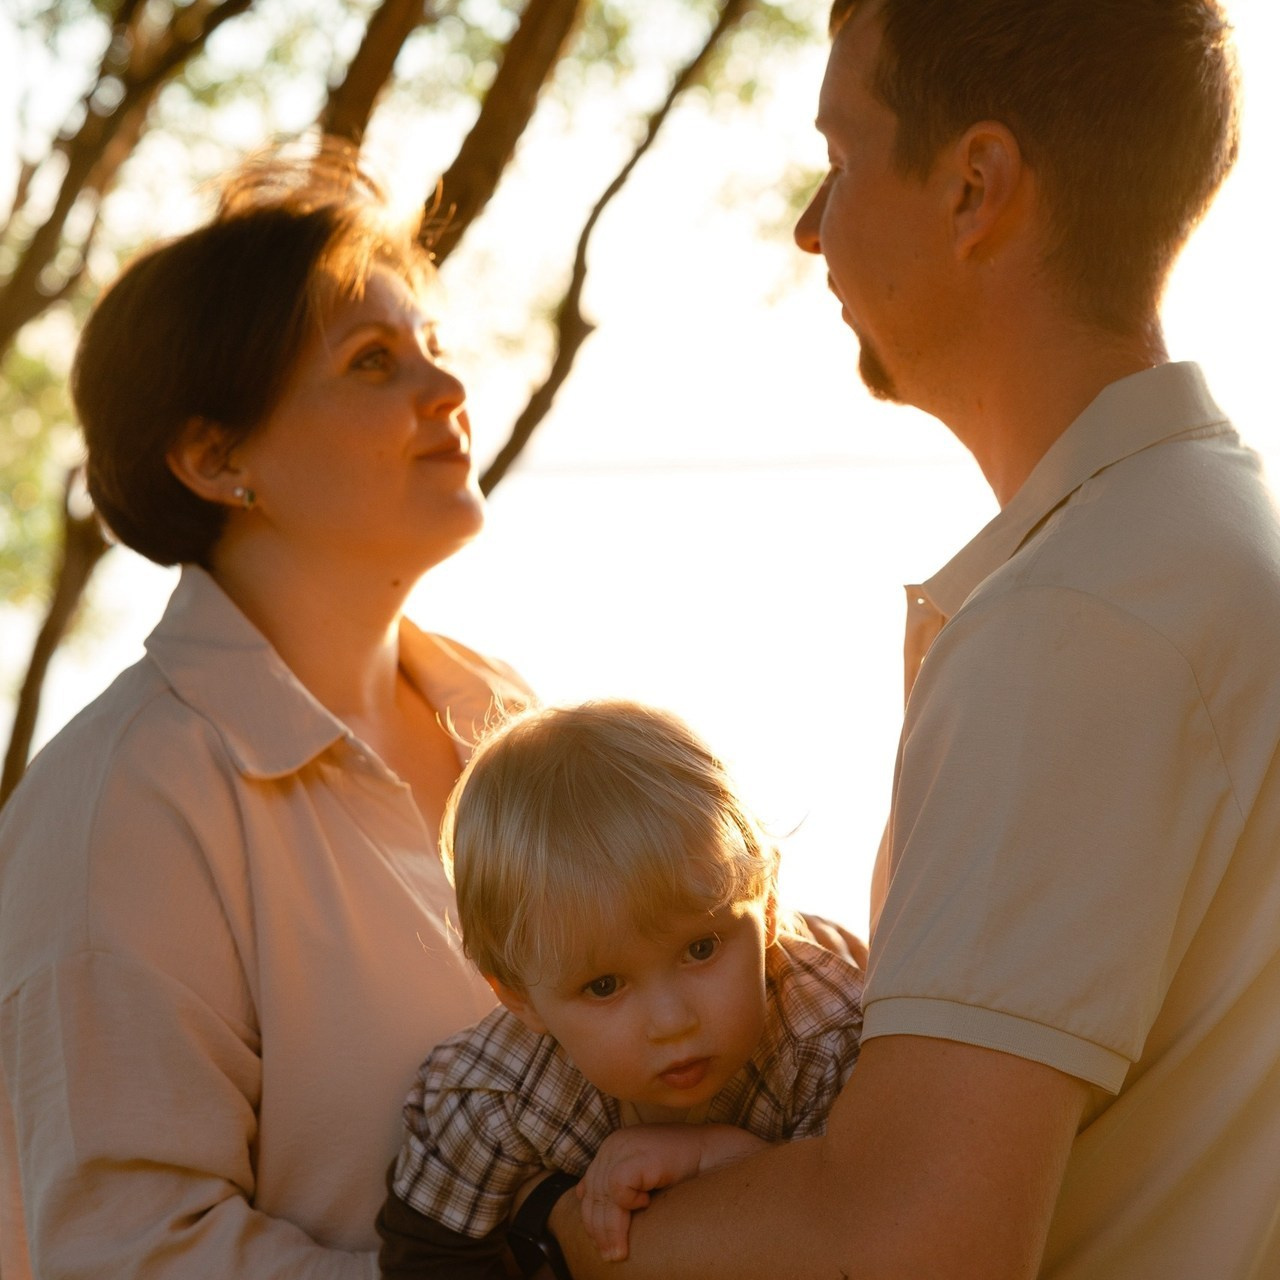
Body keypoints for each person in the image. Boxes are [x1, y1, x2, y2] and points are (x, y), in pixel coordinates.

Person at [537, 2, 1280, 1277]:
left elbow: (912, 1238)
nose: (810, 224)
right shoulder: (1204, 536)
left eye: (841, 154)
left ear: (973, 187)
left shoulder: (1072, 620)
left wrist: (548, 1246)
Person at [0, 145, 534, 1278]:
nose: (448, 391)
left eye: (434, 348)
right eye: (374, 361)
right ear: (214, 455)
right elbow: (131, 1253)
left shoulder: (515, 723)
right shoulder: (125, 802)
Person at [376, 700, 864, 1278]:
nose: (671, 1020)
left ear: (770, 903)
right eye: (604, 985)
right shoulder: (497, 1095)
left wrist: (718, 1156)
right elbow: (428, 1261)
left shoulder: (831, 1043)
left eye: (701, 948)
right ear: (519, 998)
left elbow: (869, 1226)